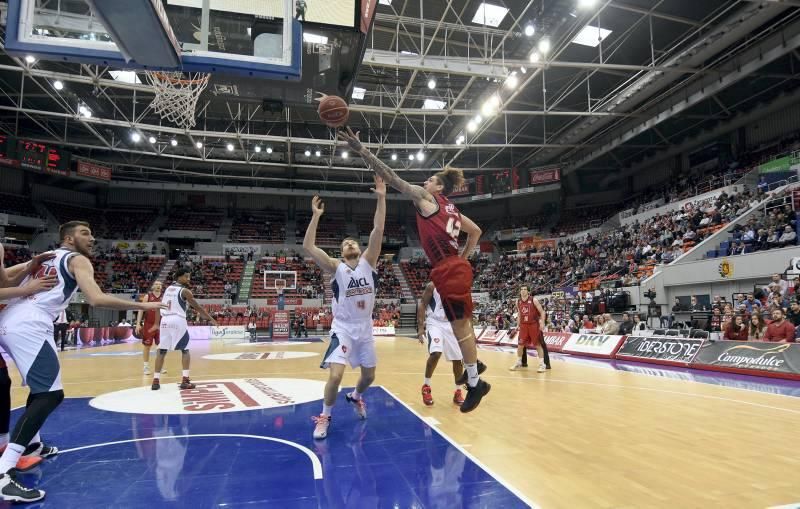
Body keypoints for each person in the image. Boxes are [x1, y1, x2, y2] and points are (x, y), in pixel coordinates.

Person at [0, 222, 165, 503]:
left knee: (42, 390)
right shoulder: (78, 260)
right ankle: (4, 473)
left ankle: (31, 446)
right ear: (69, 238)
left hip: (11, 318)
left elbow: (8, 274)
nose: (92, 237)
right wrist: (145, 305)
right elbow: (96, 299)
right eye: (85, 233)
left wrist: (28, 268)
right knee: (51, 395)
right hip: (29, 323)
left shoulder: (47, 256)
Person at [339, 127, 490, 413]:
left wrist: (362, 150)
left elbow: (395, 179)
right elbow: (477, 231)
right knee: (461, 327)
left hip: (448, 267)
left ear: (438, 188)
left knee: (460, 328)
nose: (425, 181)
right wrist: (464, 258)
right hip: (452, 266)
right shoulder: (453, 209)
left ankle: (474, 382)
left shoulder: (426, 198)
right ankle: (474, 370)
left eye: (430, 180)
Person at [304, 177, 385, 440]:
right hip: (344, 329)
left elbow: (378, 229)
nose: (350, 244)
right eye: (345, 244)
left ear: (360, 249)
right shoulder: (336, 267)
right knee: (336, 376)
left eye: (353, 242)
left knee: (369, 376)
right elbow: (308, 247)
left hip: (366, 328)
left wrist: (381, 197)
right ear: (341, 252)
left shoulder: (368, 262)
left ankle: (357, 396)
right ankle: (325, 416)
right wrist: (316, 216)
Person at [150, 268, 217, 391]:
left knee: (161, 351)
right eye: (186, 276)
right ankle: (185, 380)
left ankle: (155, 381)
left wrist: (156, 323)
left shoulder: (167, 289)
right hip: (177, 319)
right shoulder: (185, 291)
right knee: (185, 350)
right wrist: (211, 319)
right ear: (179, 277)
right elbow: (197, 307)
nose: (188, 279)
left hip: (165, 321)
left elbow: (158, 307)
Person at [417, 282, 467, 406]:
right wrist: (420, 327)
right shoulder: (432, 286)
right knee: (436, 353)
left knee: (458, 359)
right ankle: (426, 386)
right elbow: (422, 304)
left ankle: (458, 391)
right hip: (434, 322)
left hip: (450, 324)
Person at [510, 285, 547, 373]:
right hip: (523, 326)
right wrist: (517, 325)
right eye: (521, 289)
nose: (523, 291)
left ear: (528, 291)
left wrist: (542, 322)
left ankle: (542, 365)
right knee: (520, 345)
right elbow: (519, 314)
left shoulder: (534, 300)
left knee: (538, 345)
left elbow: (542, 312)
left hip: (533, 325)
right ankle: (519, 362)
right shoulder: (518, 301)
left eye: (525, 289)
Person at [136, 281, 164, 375]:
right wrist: (138, 323)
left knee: (161, 346)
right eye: (156, 284)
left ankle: (160, 366)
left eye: (160, 284)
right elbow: (141, 309)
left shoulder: (164, 297)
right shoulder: (148, 296)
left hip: (161, 325)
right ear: (153, 286)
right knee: (147, 346)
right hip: (149, 325)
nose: (158, 286)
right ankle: (146, 367)